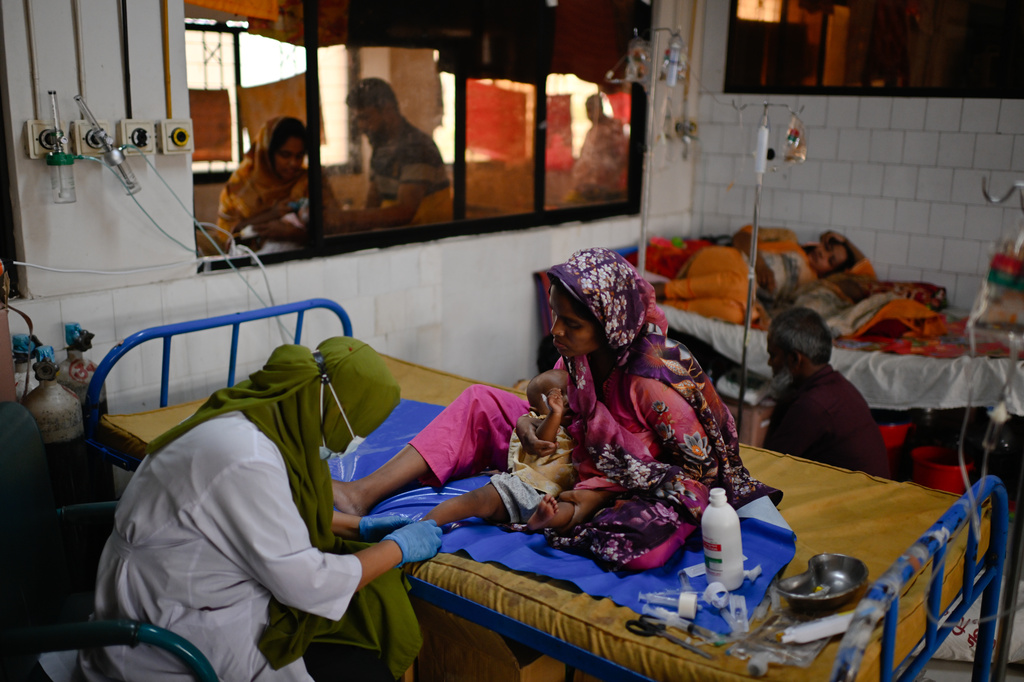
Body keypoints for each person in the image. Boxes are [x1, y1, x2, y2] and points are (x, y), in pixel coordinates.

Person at [333, 247, 778, 571]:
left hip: (629, 473)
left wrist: (597, 491)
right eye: (554, 315)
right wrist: (533, 422)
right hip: (579, 445)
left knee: (644, 540)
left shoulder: (652, 381)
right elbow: (556, 393)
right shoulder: (584, 354)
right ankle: (363, 493)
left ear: (609, 325)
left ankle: (562, 508)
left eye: (572, 323)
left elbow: (695, 471)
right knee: (480, 401)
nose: (556, 331)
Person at [77, 338, 443, 682]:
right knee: (362, 662)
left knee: (363, 618)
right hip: (171, 624)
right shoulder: (245, 457)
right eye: (354, 431)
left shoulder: (256, 414)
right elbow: (310, 583)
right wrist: (398, 547)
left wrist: (355, 528)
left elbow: (266, 513)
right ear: (336, 411)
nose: (349, 444)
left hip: (182, 579)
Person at [415, 368, 577, 529]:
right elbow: (545, 438)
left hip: (553, 501)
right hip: (521, 489)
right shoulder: (539, 423)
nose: (565, 401)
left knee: (573, 511)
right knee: (476, 500)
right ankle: (425, 524)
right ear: (534, 411)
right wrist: (554, 414)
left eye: (570, 393)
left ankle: (536, 523)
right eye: (554, 396)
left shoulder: (579, 427)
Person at [653, 225, 876, 324]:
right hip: (728, 263)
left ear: (834, 271)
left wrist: (846, 242)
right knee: (741, 283)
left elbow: (868, 276)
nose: (822, 253)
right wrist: (759, 265)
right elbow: (741, 236)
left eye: (831, 259)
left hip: (746, 294)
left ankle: (666, 306)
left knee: (738, 316)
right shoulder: (788, 239)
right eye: (826, 247)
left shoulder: (814, 288)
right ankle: (664, 289)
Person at [762, 306, 889, 478]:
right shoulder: (839, 387)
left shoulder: (813, 406)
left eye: (773, 355)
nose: (770, 363)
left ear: (794, 359)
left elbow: (767, 466)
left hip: (853, 500)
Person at [326, 78, 451, 234]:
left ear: (388, 110)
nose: (361, 126)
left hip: (429, 244)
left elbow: (404, 212)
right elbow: (373, 201)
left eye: (365, 117)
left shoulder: (417, 147)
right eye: (358, 119)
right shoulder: (381, 147)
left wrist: (345, 218)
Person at [198, 116, 310, 256]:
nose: (293, 163)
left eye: (299, 156)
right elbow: (227, 238)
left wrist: (294, 233)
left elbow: (333, 229)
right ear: (267, 152)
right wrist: (272, 214)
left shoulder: (309, 181)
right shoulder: (239, 188)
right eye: (285, 155)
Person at [564, 93, 629, 204]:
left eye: (590, 110)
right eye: (587, 110)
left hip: (605, 187)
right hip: (589, 186)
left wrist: (600, 180)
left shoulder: (613, 128)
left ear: (600, 109)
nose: (588, 114)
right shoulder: (592, 131)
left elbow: (618, 159)